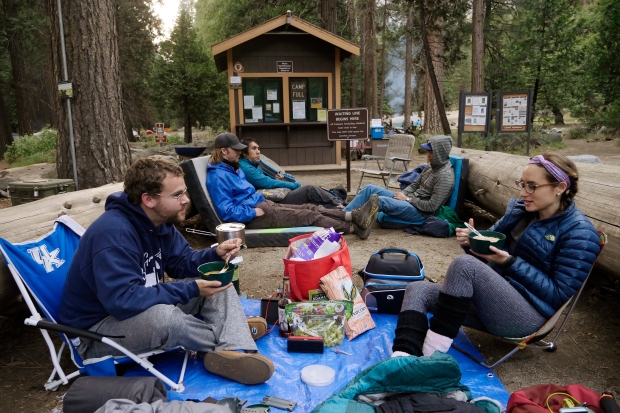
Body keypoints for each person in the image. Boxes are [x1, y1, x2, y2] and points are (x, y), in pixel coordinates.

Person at [57, 157, 274, 385]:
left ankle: (233, 348)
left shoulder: (158, 222)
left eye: (184, 192)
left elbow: (183, 262)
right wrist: (190, 289)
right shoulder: (113, 234)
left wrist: (214, 254)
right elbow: (123, 301)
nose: (186, 200)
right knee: (167, 319)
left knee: (217, 282)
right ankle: (230, 335)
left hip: (137, 307)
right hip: (98, 331)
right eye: (177, 195)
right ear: (148, 199)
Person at [391, 153, 601, 358]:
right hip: (495, 298)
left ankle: (430, 357)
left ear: (560, 188)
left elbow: (557, 294)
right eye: (522, 184)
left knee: (465, 265)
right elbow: (485, 257)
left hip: (528, 316)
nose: (523, 193)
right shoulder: (521, 212)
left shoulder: (580, 233)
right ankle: (402, 358)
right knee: (418, 289)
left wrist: (509, 262)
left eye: (532, 186)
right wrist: (472, 242)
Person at [206, 132, 380, 239]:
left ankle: (354, 215)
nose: (239, 152)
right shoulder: (218, 177)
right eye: (236, 149)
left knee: (310, 207)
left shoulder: (232, 169)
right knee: (309, 216)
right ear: (224, 151)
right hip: (255, 216)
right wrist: (253, 212)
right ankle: (354, 228)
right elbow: (226, 212)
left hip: (263, 204)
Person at [343, 134, 455, 224]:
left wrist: (407, 199)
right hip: (409, 200)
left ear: (440, 154)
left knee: (379, 200)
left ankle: (354, 223)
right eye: (428, 152)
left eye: (431, 152)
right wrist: (402, 194)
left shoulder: (445, 176)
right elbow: (415, 184)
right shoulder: (431, 166)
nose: (428, 155)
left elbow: (431, 206)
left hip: (420, 212)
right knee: (369, 188)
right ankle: (342, 214)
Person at [239, 138, 345, 208]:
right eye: (254, 149)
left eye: (258, 148)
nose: (258, 151)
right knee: (309, 189)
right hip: (272, 200)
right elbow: (268, 183)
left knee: (313, 201)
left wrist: (278, 179)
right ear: (244, 153)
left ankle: (338, 207)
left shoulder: (252, 164)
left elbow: (267, 181)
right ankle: (339, 203)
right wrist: (294, 185)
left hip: (272, 196)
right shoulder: (246, 168)